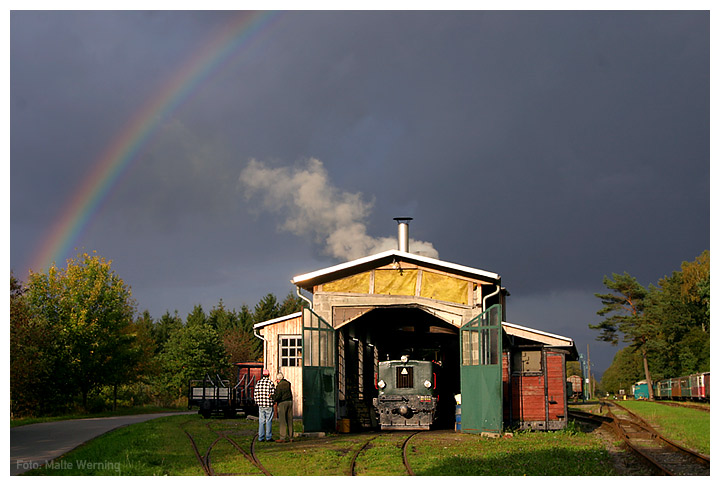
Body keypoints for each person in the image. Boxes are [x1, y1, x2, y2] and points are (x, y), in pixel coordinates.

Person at [253, 369, 276, 442]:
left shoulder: (258, 383)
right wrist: (273, 402)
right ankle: (268, 437)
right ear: (268, 375)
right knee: (268, 420)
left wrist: (257, 402)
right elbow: (273, 394)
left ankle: (261, 437)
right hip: (268, 404)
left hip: (261, 404)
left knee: (261, 421)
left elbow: (255, 394)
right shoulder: (270, 383)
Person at [272, 372, 293, 442]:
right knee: (290, 420)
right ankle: (291, 437)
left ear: (278, 379)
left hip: (282, 403)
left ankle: (282, 437)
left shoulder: (279, 386)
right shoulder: (288, 383)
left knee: (282, 421)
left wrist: (272, 397)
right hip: (290, 402)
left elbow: (278, 396)